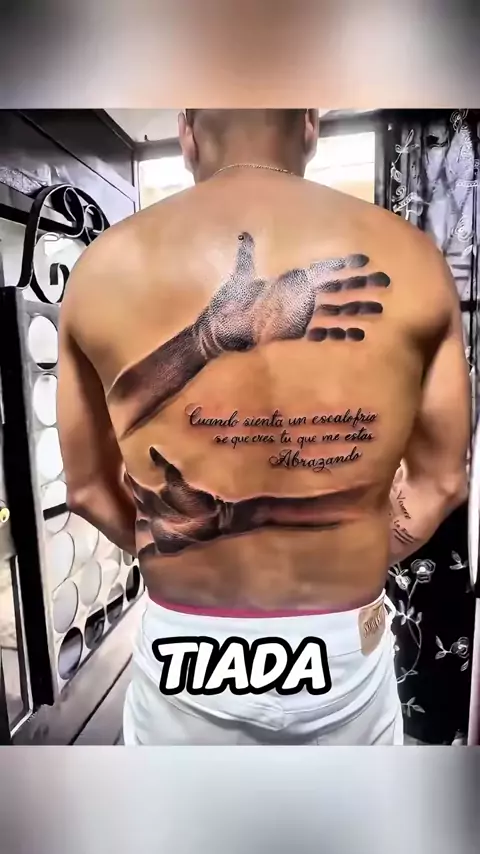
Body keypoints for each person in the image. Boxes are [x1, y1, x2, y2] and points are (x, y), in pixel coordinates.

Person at [57, 109, 470, 745]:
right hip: (341, 653)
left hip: (182, 651)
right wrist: (350, 548)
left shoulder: (100, 270)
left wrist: (203, 342)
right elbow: (442, 484)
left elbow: (86, 489)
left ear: (186, 128)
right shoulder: (414, 261)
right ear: (309, 123)